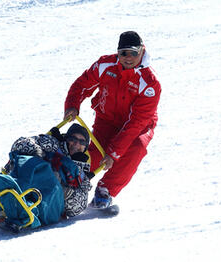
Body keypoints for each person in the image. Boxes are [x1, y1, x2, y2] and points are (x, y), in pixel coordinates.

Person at [63, 31, 161, 209]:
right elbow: (82, 84)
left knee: (134, 149)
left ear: (142, 50)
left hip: (139, 127)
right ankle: (65, 180)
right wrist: (72, 104)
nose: (128, 57)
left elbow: (135, 124)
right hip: (106, 119)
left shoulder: (150, 84)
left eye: (133, 52)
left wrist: (114, 154)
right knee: (95, 156)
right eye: (124, 53)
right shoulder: (105, 65)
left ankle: (105, 189)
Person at [6, 124, 93, 218]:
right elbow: (21, 143)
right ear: (66, 139)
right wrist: (37, 153)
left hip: (46, 201)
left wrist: (67, 191)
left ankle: (23, 209)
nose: (76, 144)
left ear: (85, 147)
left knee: (56, 179)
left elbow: (77, 208)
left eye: (82, 142)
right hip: (28, 176)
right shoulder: (53, 145)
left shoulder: (81, 173)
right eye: (73, 139)